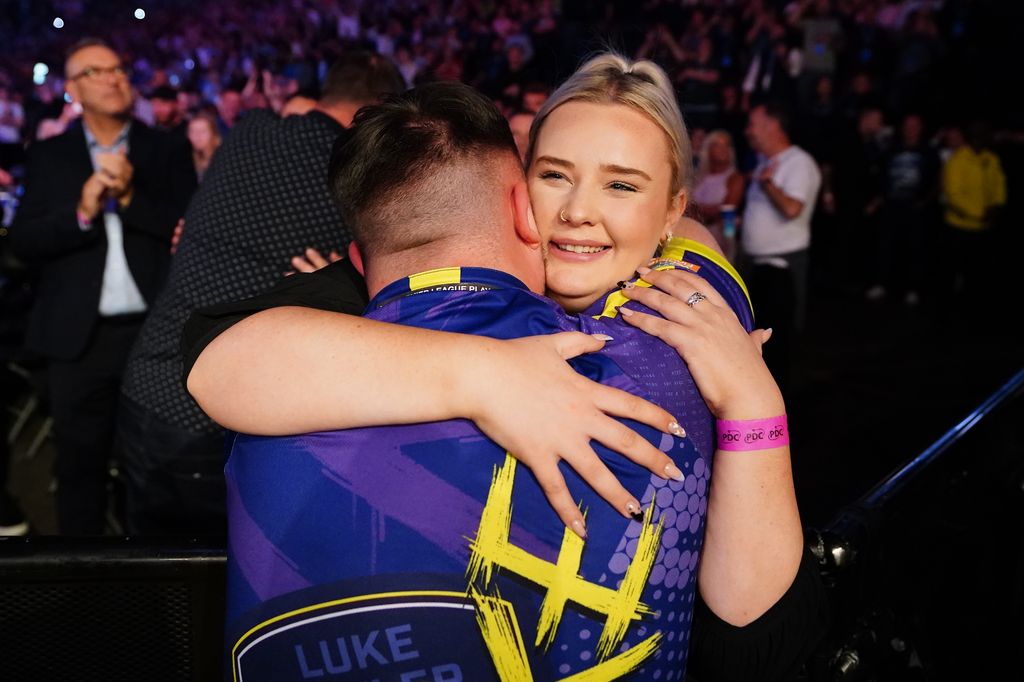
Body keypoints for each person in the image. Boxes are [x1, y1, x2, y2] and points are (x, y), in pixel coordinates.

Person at [188, 56, 825, 680]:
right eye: (555, 175)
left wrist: (753, 403)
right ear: (518, 197)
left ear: (668, 215)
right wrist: (486, 371)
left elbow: (756, 642)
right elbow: (220, 359)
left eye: (622, 184)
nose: (578, 210)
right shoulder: (382, 277)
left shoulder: (682, 321)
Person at [115, 51, 406, 536]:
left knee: (150, 575)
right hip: (219, 416)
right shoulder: (357, 181)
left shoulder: (249, 132)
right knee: (216, 588)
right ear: (379, 109)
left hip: (147, 385)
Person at [8, 38, 196, 534]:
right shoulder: (51, 154)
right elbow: (25, 241)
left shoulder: (165, 148)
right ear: (72, 89)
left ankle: (161, 583)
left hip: (154, 332)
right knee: (79, 467)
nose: (113, 78)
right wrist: (82, 213)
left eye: (118, 68)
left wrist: (132, 196)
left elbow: (189, 232)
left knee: (158, 465)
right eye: (97, 71)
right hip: (79, 338)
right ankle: (84, 587)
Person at [739, 100, 822, 395]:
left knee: (777, 349)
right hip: (757, 267)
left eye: (753, 124)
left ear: (772, 125)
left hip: (780, 271)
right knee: (757, 344)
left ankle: (778, 413)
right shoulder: (765, 162)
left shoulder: (799, 162)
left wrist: (768, 184)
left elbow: (791, 208)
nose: (748, 131)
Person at [941, 119, 1007, 303]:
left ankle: (973, 304)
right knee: (954, 270)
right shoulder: (957, 160)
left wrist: (997, 204)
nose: (985, 136)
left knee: (978, 272)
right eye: (980, 133)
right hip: (959, 227)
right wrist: (980, 214)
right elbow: (954, 195)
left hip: (983, 228)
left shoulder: (991, 159)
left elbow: (999, 184)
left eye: (986, 132)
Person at [692, 130, 746, 259]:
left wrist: (695, 209)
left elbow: (726, 209)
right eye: (717, 145)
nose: (723, 149)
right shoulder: (697, 177)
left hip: (721, 237)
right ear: (708, 149)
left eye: (726, 145)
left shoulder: (735, 178)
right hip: (694, 235)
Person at [185, 111, 221, 182]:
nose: (197, 136)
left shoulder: (221, 159)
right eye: (192, 131)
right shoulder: (186, 160)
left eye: (203, 131)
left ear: (213, 134)